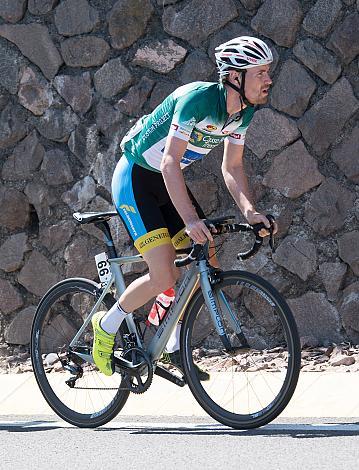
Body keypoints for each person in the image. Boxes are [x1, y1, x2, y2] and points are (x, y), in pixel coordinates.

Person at [92, 36, 277, 378]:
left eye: (268, 72)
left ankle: (171, 344)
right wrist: (191, 220)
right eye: (261, 72)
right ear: (235, 76)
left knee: (206, 255)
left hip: (167, 182)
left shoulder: (243, 113)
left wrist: (250, 211)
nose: (268, 80)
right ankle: (107, 323)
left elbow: (232, 166)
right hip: (136, 178)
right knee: (164, 272)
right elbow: (168, 162)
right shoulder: (198, 100)